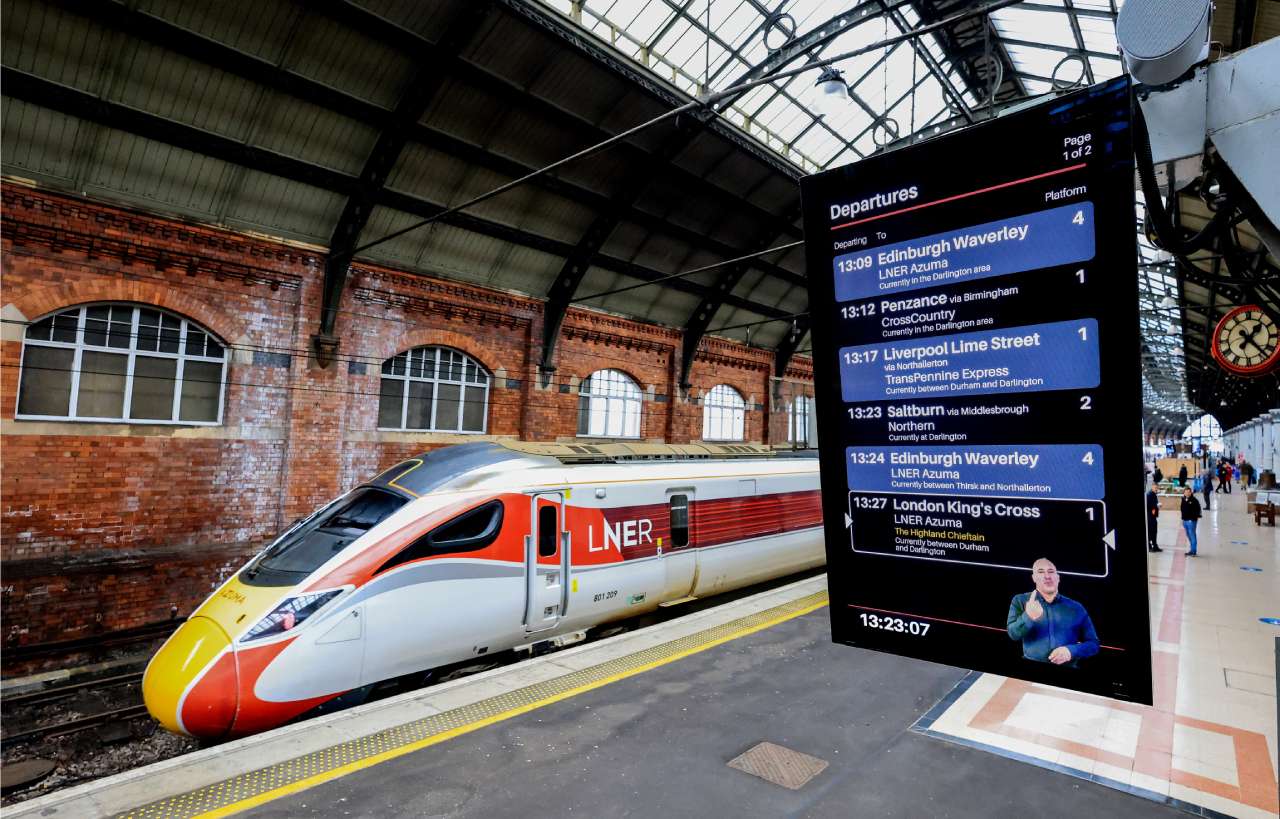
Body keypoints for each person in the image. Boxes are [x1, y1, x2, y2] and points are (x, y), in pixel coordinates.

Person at [1006, 558, 1100, 667]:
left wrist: (1071, 651)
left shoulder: (1076, 607)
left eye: (1051, 572)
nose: (1047, 576)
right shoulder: (1019, 600)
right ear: (1034, 578)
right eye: (1040, 572)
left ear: (1058, 578)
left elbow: (1094, 644)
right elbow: (1013, 634)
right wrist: (1028, 617)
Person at [1181, 486, 1202, 556]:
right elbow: (1182, 509)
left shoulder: (1194, 500)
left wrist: (1192, 518)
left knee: (1192, 535)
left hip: (1191, 521)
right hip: (1185, 520)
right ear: (1184, 493)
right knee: (1188, 535)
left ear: (1191, 492)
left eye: (1188, 492)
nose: (1187, 493)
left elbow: (1198, 510)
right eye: (1185, 492)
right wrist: (1183, 519)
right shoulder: (1183, 499)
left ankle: (1193, 551)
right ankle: (1192, 549)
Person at [1146, 482, 1162, 552]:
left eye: (1157, 488)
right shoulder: (1149, 495)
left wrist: (1157, 506)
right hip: (1150, 517)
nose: (1156, 489)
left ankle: (1155, 546)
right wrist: (1156, 506)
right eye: (1155, 487)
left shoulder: (1154, 494)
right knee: (1150, 532)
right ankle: (1149, 547)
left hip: (1153, 516)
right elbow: (1147, 505)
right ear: (1152, 487)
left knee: (1154, 531)